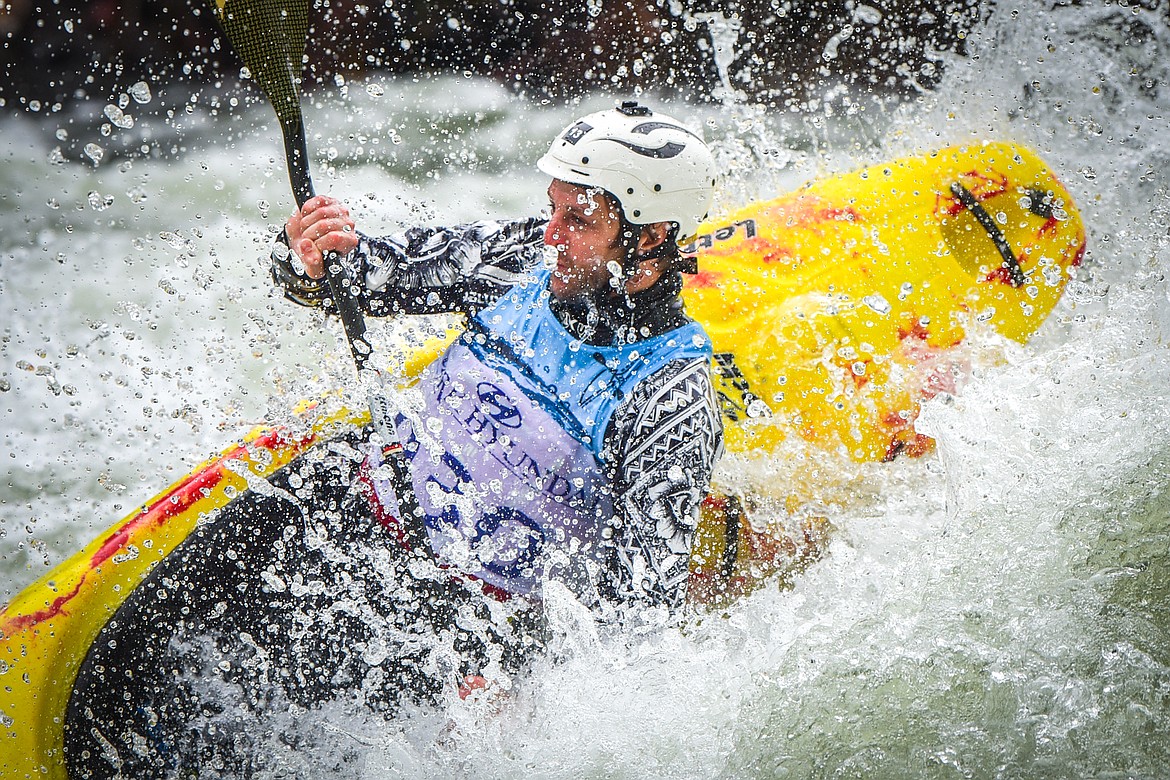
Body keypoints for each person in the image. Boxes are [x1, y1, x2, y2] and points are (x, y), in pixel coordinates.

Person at [271, 99, 723, 696]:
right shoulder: (519, 260)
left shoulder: (671, 400)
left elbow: (634, 614)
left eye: (578, 221)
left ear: (652, 237)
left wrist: (517, 677)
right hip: (344, 516)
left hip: (449, 632)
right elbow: (357, 276)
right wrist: (308, 257)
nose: (551, 236)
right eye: (551, 210)